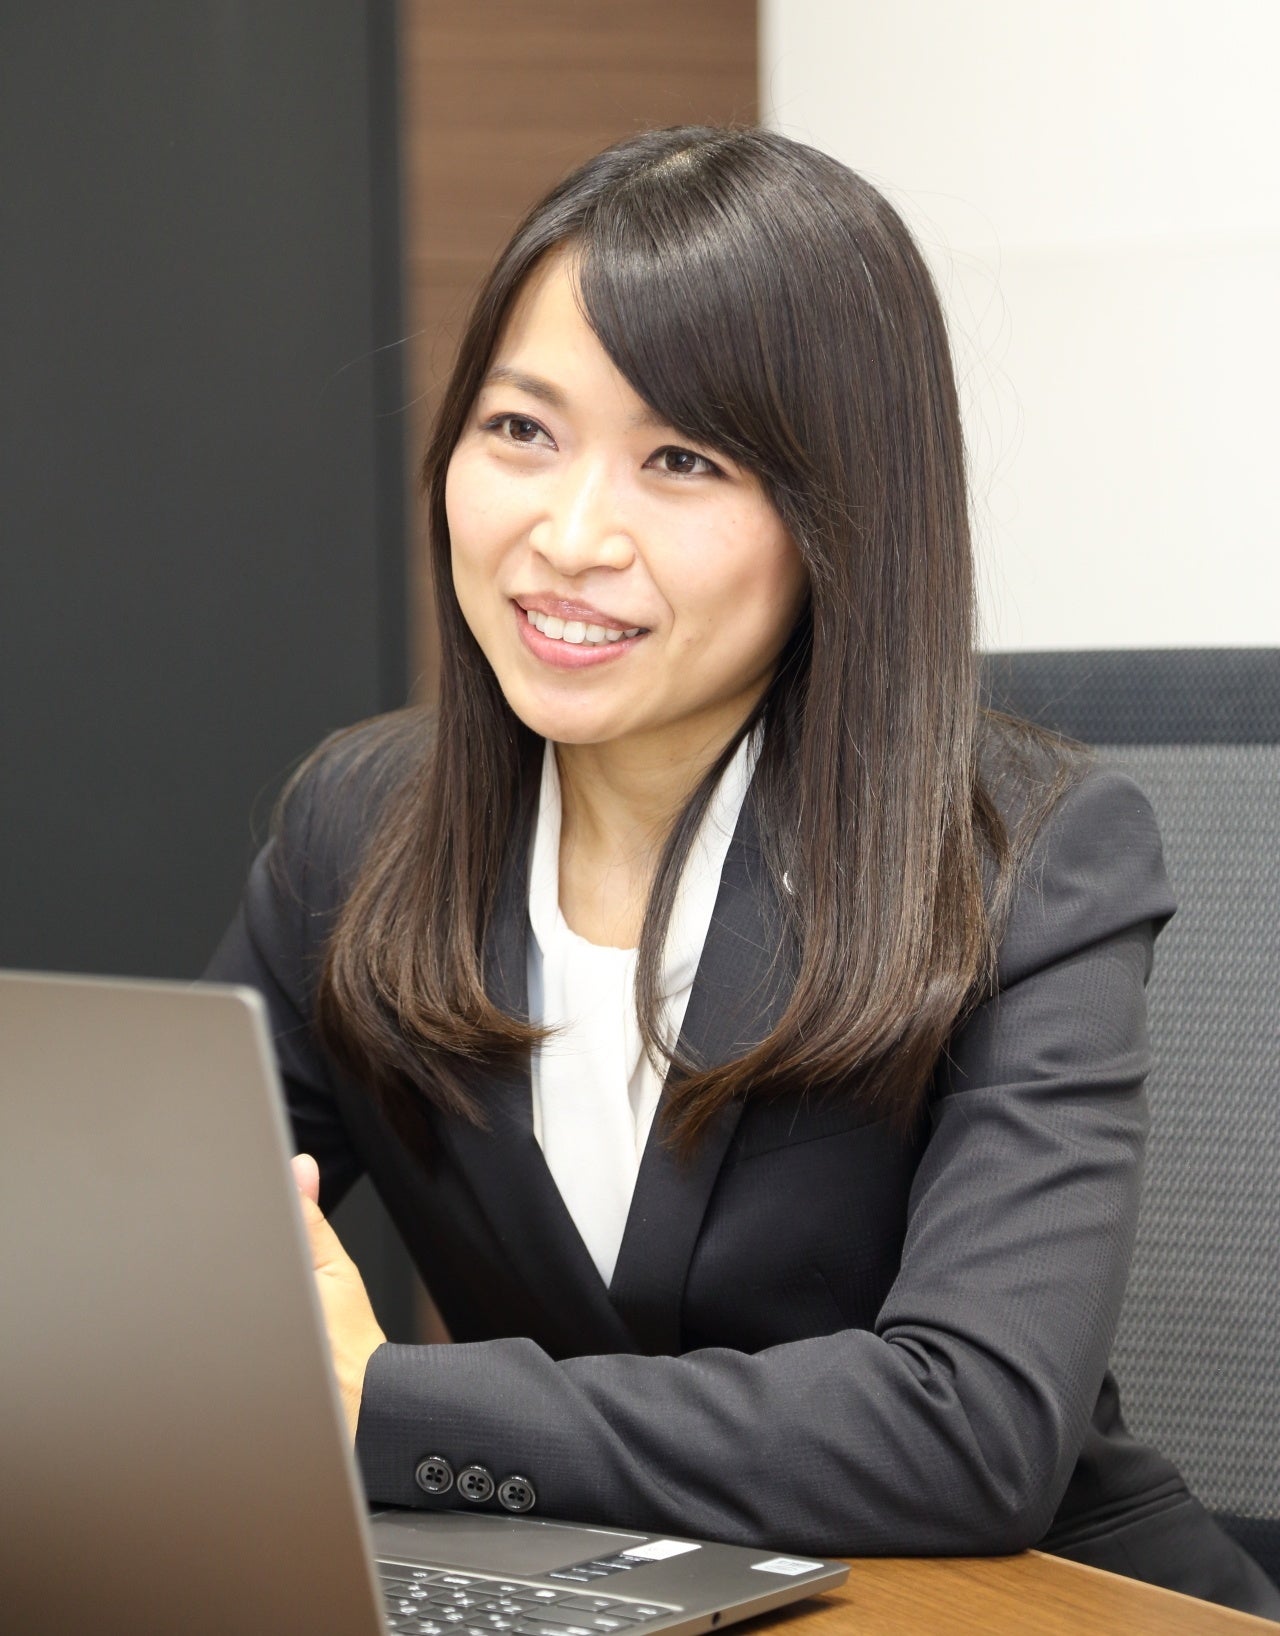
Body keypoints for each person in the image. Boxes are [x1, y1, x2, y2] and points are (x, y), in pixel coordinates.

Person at [206, 126, 1280, 1618]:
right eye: (520, 430)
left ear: (840, 515)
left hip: (1018, 1599)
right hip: (586, 1589)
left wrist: (393, 1409)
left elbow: (970, 1429)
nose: (570, 535)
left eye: (682, 460)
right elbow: (175, 1252)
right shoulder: (360, 824)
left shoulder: (1024, 855)